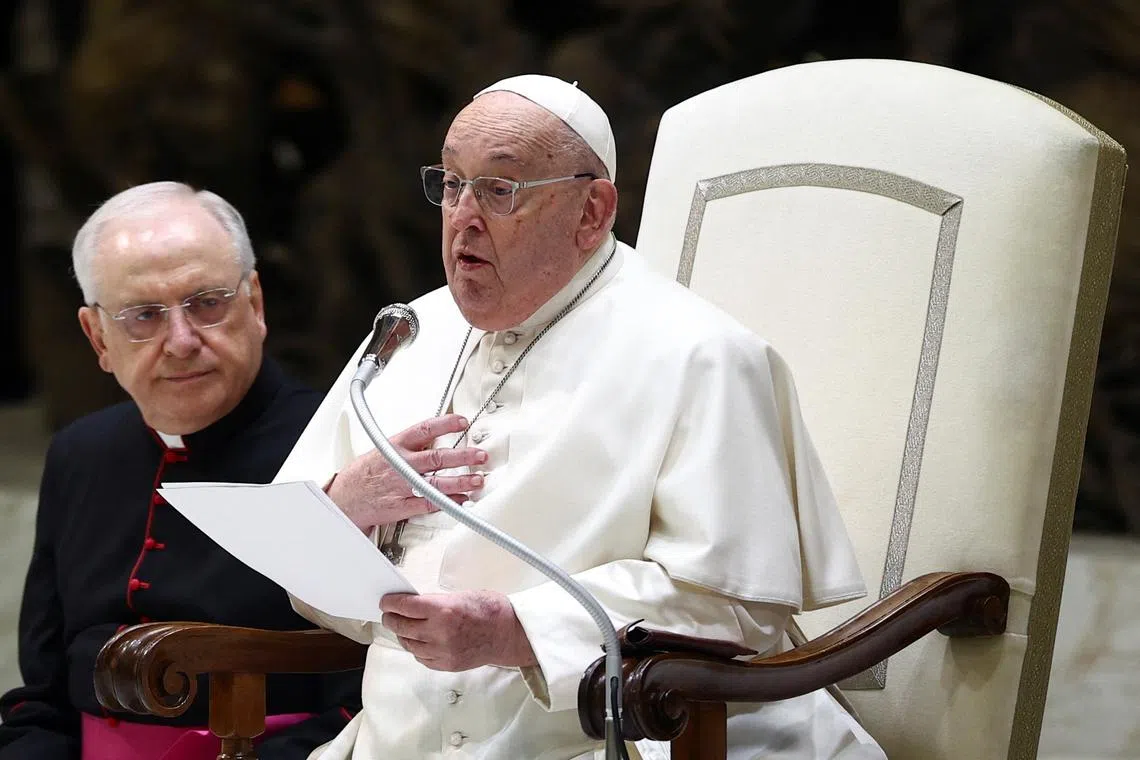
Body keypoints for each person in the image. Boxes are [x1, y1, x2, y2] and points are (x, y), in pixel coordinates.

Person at [276, 76, 885, 759]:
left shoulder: (702, 356)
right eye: (451, 184)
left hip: (613, 739)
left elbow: (733, 609)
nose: (463, 217)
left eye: (499, 190)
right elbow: (300, 564)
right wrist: (340, 507)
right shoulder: (407, 335)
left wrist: (515, 629)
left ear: (591, 212)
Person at [0, 182, 362, 760]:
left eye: (208, 302)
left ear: (256, 304)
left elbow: (370, 702)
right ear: (98, 337)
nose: (181, 341)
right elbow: (42, 695)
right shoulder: (80, 453)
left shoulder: (341, 444)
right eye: (143, 315)